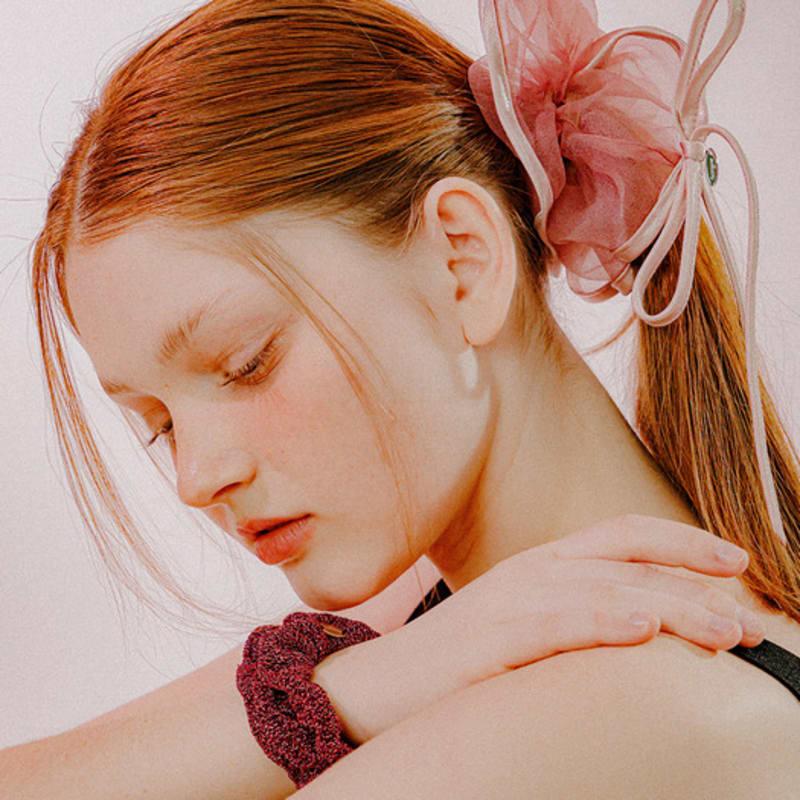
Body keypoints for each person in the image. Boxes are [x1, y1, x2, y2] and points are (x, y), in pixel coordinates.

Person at [4, 0, 799, 796]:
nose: (197, 479)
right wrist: (349, 686)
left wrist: (331, 694)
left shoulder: (610, 711)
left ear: (461, 261)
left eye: (248, 364)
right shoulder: (457, 620)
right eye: (160, 424)